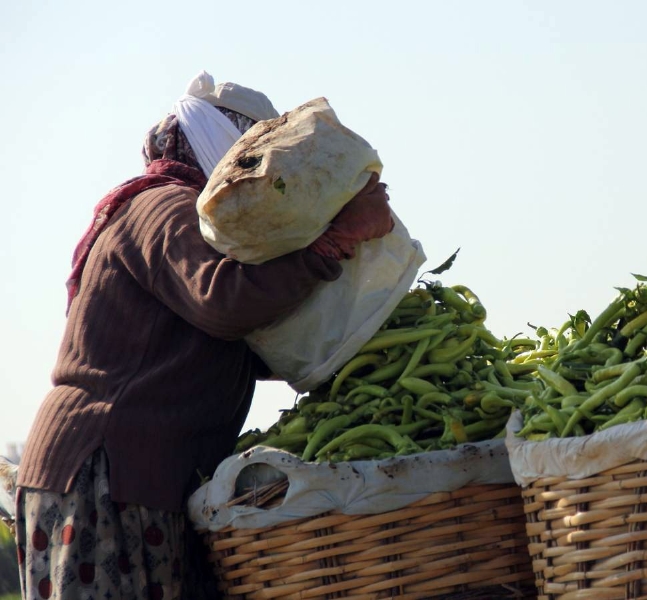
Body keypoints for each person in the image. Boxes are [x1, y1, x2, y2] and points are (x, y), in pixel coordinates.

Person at [13, 72, 393, 599]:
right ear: (224, 149)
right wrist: (333, 242)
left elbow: (248, 339)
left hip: (142, 476)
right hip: (108, 471)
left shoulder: (200, 227)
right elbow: (224, 302)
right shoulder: (163, 207)